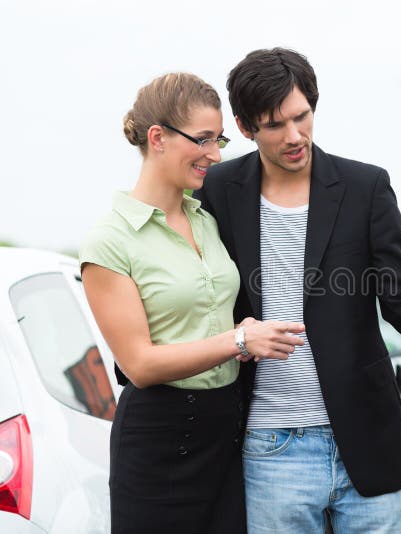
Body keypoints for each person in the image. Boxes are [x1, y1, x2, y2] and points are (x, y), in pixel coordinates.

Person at [193, 47, 401, 533]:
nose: (294, 136)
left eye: (301, 117)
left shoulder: (364, 187)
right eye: (274, 125)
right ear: (244, 127)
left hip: (367, 439)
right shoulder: (217, 190)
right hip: (268, 447)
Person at [80, 72, 306, 534]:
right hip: (159, 441)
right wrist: (239, 339)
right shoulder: (110, 240)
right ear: (158, 138)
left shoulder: (207, 219)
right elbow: (139, 364)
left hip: (225, 434)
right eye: (202, 140)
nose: (216, 155)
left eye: (218, 139)